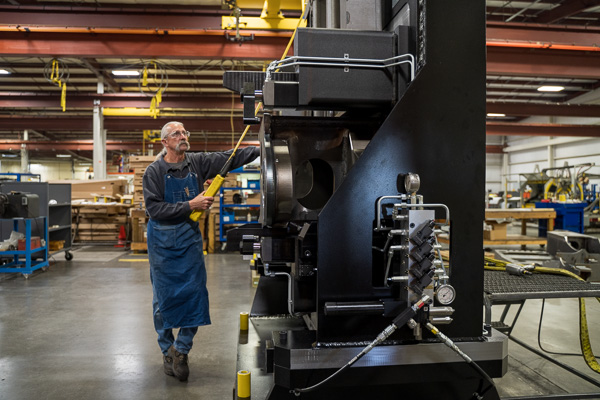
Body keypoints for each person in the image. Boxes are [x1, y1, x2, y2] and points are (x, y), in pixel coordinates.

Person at [142, 121, 259, 381]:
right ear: (164, 142)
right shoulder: (153, 172)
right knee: (162, 300)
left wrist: (262, 147)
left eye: (185, 132)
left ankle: (182, 349)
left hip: (188, 238)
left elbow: (231, 156)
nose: (183, 136)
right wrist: (190, 204)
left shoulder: (197, 162)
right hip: (161, 241)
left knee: (195, 294)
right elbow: (155, 210)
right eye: (176, 134)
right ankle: (167, 352)